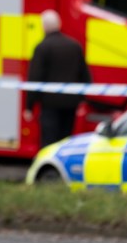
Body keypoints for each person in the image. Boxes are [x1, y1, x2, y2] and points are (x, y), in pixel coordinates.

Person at [23, 9, 92, 148]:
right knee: (65, 142)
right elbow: (85, 75)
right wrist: (81, 99)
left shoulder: (42, 47)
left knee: (49, 143)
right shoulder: (74, 46)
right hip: (70, 104)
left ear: (43, 26)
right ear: (60, 24)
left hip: (50, 106)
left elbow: (35, 77)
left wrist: (29, 106)